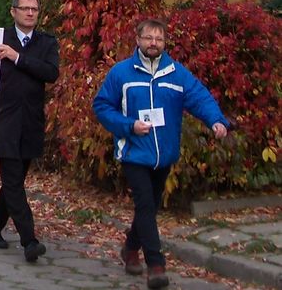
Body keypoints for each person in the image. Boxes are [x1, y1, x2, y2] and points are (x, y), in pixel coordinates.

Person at [93, 18, 230, 289]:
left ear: (165, 43)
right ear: (138, 40)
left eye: (158, 39)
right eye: (148, 38)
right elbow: (102, 106)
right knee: (145, 206)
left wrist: (216, 120)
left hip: (164, 155)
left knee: (149, 208)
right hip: (134, 152)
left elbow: (199, 97)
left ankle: (130, 249)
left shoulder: (176, 74)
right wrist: (129, 125)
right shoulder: (121, 73)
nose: (153, 43)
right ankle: (156, 265)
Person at [0, 0, 59, 263]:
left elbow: (51, 73)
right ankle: (30, 240)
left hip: (31, 122)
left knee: (13, 182)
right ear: (13, 11)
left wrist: (17, 58)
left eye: (34, 9)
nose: (29, 13)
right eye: (24, 8)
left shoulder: (46, 43)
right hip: (4, 122)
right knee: (13, 182)